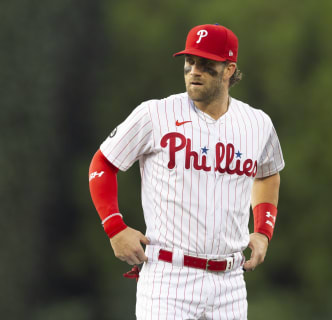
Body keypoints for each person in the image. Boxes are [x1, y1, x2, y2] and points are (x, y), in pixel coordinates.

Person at [89, 23, 284, 319]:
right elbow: (103, 163)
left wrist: (263, 231)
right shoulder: (156, 114)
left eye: (206, 64)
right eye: (190, 62)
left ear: (229, 69)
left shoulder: (257, 123)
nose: (194, 71)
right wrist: (115, 227)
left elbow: (268, 174)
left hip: (230, 283)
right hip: (169, 279)